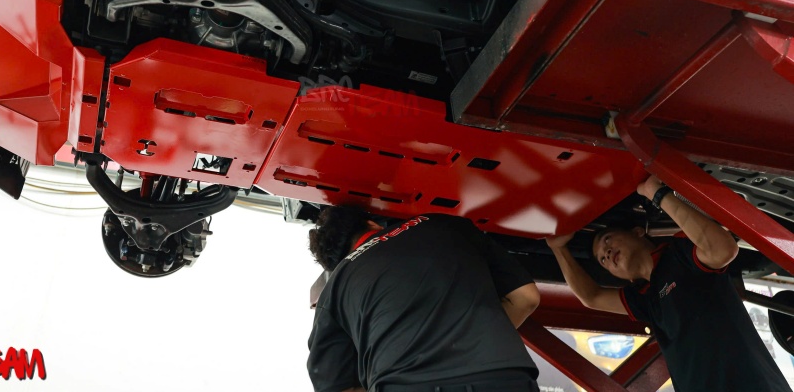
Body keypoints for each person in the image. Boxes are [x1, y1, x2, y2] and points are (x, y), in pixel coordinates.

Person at [547, 175, 791, 392]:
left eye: (608, 240)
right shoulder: (644, 297)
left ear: (638, 232)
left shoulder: (679, 253)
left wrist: (657, 193)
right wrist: (558, 249)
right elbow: (591, 297)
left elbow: (723, 249)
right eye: (602, 259)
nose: (607, 253)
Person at [306, 206, 541, 392]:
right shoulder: (445, 224)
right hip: (502, 377)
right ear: (372, 224)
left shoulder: (336, 287)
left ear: (335, 263)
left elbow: (336, 386)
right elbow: (526, 297)